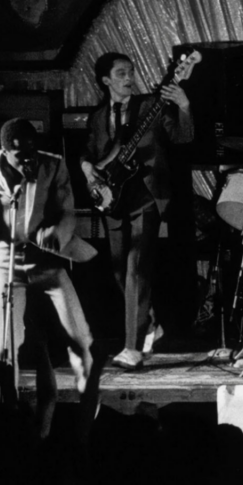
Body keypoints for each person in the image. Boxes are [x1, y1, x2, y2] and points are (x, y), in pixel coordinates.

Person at [0, 119, 97, 437]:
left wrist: (57, 233)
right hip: (5, 261)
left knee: (80, 339)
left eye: (32, 152)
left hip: (45, 261)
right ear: (5, 151)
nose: (29, 160)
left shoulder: (53, 165)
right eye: (21, 155)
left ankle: (88, 415)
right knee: (2, 349)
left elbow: (67, 211)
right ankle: (10, 414)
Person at [80, 52, 194, 370]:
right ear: (105, 80)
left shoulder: (150, 107)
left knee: (137, 269)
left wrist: (184, 106)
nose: (129, 77)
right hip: (113, 197)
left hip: (146, 194)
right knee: (119, 270)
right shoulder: (97, 116)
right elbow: (89, 151)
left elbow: (182, 136)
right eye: (121, 73)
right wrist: (87, 167)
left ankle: (132, 348)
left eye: (131, 71)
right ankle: (151, 324)